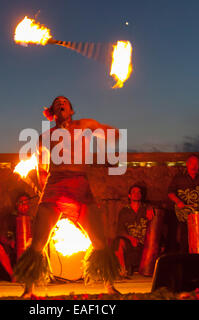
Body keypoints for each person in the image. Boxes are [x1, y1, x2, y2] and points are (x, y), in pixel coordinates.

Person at [13, 96, 121, 297]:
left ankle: (109, 286)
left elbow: (109, 132)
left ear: (71, 110)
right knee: (38, 242)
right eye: (57, 102)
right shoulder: (44, 137)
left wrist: (109, 133)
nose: (61, 103)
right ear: (53, 112)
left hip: (80, 186)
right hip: (55, 187)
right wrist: (43, 187)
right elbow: (42, 168)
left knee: (99, 240)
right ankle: (29, 290)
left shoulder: (84, 125)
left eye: (64, 102)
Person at [167, 155, 199, 253]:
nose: (194, 166)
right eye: (192, 164)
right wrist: (178, 202)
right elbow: (170, 193)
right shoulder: (178, 178)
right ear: (187, 164)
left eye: (196, 164)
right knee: (185, 239)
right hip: (184, 215)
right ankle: (184, 262)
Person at [114, 184, 155, 277]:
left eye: (139, 192)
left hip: (145, 241)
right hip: (130, 240)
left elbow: (158, 210)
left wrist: (150, 207)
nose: (136, 194)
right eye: (134, 192)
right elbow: (120, 230)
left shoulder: (146, 209)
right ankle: (122, 270)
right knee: (118, 243)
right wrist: (130, 238)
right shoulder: (124, 211)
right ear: (129, 195)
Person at [0, 193, 32, 282]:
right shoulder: (8, 219)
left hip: (26, 251)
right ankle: (13, 276)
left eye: (26, 204)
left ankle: (31, 275)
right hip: (11, 252)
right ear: (16, 204)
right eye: (21, 203)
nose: (24, 206)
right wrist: (10, 242)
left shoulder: (32, 220)